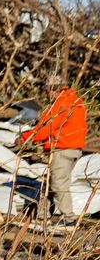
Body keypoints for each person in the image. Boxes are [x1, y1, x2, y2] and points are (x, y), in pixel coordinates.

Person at [19, 82, 88, 221]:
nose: (46, 95)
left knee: (58, 184)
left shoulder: (60, 104)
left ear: (52, 90)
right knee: (50, 182)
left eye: (46, 92)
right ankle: (43, 215)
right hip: (73, 149)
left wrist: (25, 137)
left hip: (62, 149)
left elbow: (45, 129)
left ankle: (69, 219)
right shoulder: (75, 101)